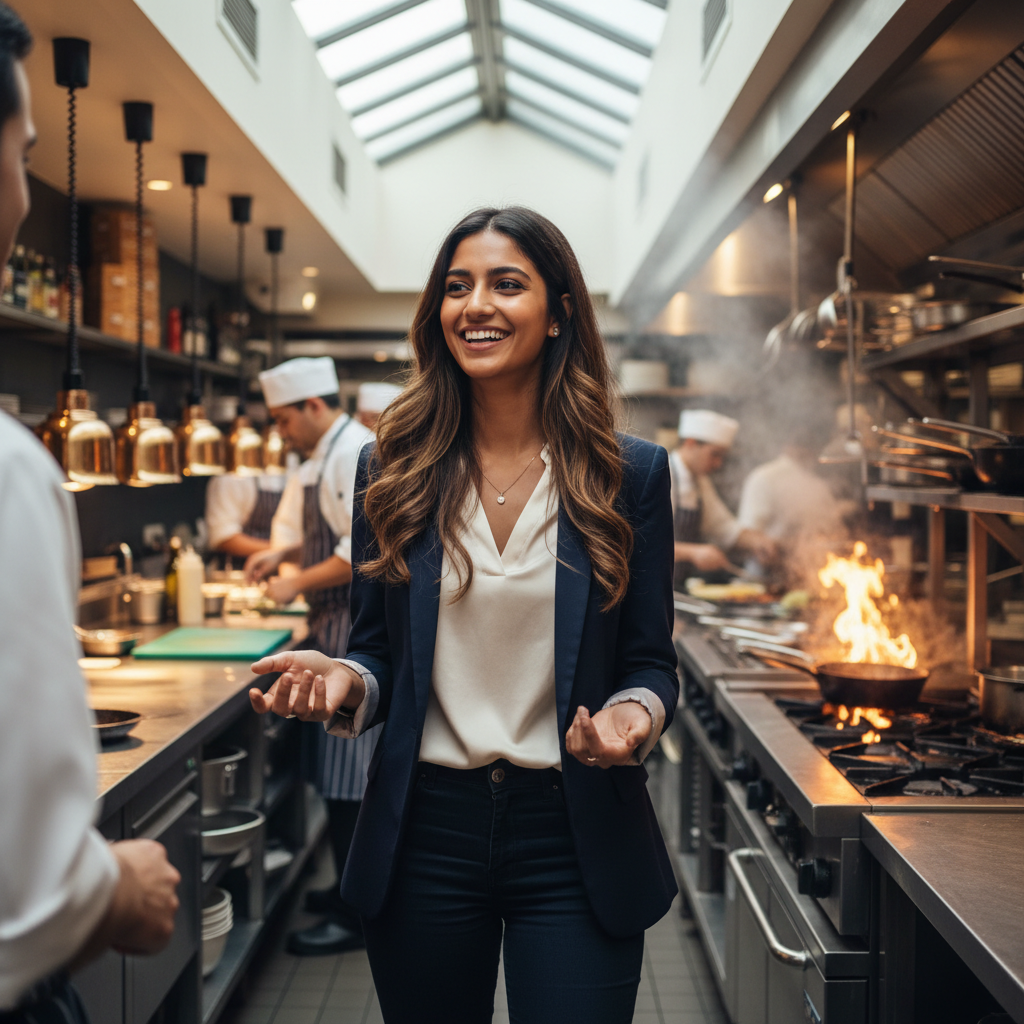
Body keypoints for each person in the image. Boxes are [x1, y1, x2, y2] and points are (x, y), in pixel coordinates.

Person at [247, 207, 680, 1023]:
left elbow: (652, 661)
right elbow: (378, 651)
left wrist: (631, 714)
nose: (475, 304)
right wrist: (343, 678)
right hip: (425, 829)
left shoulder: (632, 475)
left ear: (558, 313)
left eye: (505, 284)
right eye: (457, 287)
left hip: (575, 827)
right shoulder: (393, 466)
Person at [0, 7, 180, 1018]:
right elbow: (25, 888)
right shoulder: (11, 470)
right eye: (22, 155)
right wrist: (118, 883)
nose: (25, 194)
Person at [245, 357, 377, 956]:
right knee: (335, 772)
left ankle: (357, 912)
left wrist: (292, 582)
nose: (279, 432)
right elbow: (330, 528)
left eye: (282, 420)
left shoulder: (355, 453)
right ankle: (346, 888)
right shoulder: (331, 453)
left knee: (351, 776)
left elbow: (355, 553)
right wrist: (285, 555)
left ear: (314, 407)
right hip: (333, 624)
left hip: (352, 626)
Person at [669, 408, 776, 586]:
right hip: (650, 590)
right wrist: (693, 553)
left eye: (722, 457)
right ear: (690, 443)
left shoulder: (700, 482)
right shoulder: (662, 473)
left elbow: (722, 527)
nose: (718, 464)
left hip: (677, 588)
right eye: (714, 454)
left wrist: (757, 541)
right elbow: (641, 544)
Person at [736, 421, 846, 568]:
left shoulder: (816, 482)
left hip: (809, 566)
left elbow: (829, 527)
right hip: (768, 570)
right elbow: (748, 533)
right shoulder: (765, 477)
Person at [205, 472, 287, 559]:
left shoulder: (289, 472)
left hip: (283, 567)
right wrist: (282, 551)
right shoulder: (231, 478)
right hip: (237, 567)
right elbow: (225, 538)